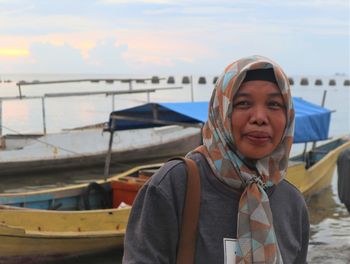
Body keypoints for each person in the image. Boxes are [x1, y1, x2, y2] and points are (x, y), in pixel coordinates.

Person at [122, 55, 309, 264]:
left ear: (288, 116)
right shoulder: (173, 186)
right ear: (221, 111)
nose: (259, 117)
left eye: (274, 104)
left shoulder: (292, 203)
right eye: (243, 103)